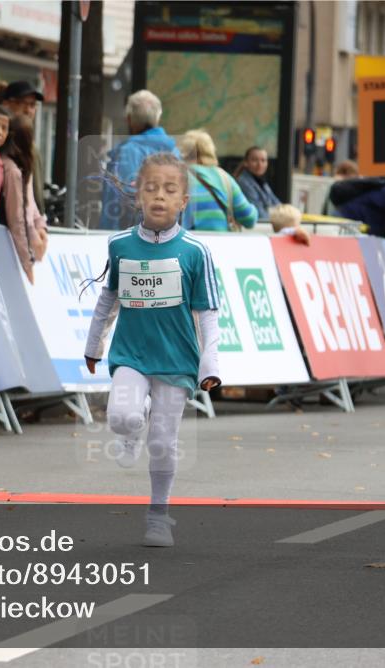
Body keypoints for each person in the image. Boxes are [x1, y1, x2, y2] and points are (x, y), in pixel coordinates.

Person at [84, 152, 221, 547]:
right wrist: (94, 346)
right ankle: (131, 428)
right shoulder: (121, 245)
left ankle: (158, 516)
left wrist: (209, 365)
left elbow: (207, 315)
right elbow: (107, 301)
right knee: (122, 416)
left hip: (176, 361)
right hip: (131, 355)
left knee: (162, 443)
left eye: (169, 189)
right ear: (138, 195)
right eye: (151, 188)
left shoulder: (195, 252)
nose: (159, 196)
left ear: (183, 201)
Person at [100, 90, 180, 229]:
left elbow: (116, 201)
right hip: (170, 237)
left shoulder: (126, 152)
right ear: (157, 118)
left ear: (130, 120)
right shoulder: (175, 152)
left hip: (134, 239)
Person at [0, 114, 48, 284]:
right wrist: (27, 263)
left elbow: (31, 201)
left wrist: (39, 224)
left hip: (24, 243)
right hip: (12, 248)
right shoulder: (11, 170)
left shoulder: (23, 165)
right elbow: (17, 218)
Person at [178, 129, 257, 232]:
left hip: (186, 244)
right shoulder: (224, 178)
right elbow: (249, 219)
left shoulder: (176, 177)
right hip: (219, 244)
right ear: (211, 151)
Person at [0, 80, 46, 214]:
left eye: (32, 105)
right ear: (6, 104)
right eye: (22, 103)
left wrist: (41, 220)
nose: (28, 110)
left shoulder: (32, 146)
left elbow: (36, 192)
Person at [234, 146, 282, 221]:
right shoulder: (243, 183)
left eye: (263, 160)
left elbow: (278, 205)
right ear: (246, 163)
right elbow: (260, 214)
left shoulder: (261, 181)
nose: (260, 164)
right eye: (255, 160)